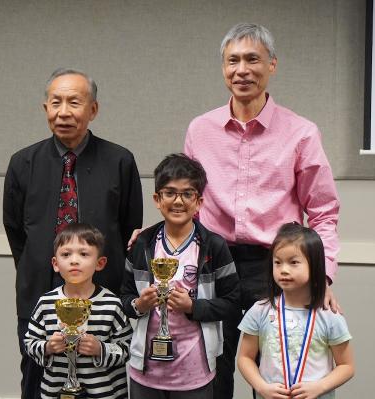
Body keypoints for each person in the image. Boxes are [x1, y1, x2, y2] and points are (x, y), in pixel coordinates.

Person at [183, 23, 341, 398]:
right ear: (223, 68)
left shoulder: (301, 132)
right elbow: (185, 203)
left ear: (272, 65)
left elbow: (323, 212)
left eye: (252, 59)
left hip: (275, 267)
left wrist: (323, 277)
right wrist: (156, 237)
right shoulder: (200, 130)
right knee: (210, 372)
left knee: (276, 377)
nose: (242, 70)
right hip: (211, 264)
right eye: (232, 61)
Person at [3, 68, 143, 398]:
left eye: (74, 102)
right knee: (37, 378)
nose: (63, 112)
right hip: (40, 290)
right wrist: (41, 267)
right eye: (56, 102)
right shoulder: (23, 162)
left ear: (92, 110)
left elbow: (128, 228)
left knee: (102, 378)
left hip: (102, 294)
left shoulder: (120, 161)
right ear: (45, 108)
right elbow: (15, 230)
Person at [121, 153, 240, 399]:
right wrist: (139, 304)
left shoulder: (214, 246)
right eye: (170, 192)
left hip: (194, 373)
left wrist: (193, 306)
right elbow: (124, 298)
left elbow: (232, 302)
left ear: (199, 202)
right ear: (157, 198)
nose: (178, 201)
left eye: (187, 194)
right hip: (146, 372)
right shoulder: (143, 244)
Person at [237, 223, 354, 399]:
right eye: (277, 262)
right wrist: (261, 387)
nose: (284, 270)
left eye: (293, 262)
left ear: (314, 266)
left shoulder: (329, 315)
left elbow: (347, 366)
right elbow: (245, 358)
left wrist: (319, 387)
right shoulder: (259, 311)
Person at [24, 223, 132, 398]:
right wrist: (48, 347)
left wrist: (100, 349)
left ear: (100, 263)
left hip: (104, 394)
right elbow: (30, 343)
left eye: (83, 254)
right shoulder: (46, 303)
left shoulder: (111, 304)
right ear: (55, 263)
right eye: (66, 254)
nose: (74, 260)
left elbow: (127, 348)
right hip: (56, 392)